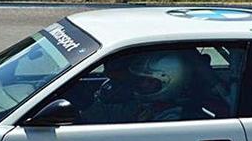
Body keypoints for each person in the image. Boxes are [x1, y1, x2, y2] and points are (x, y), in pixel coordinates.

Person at [80, 50, 229, 124]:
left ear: (171, 81)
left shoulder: (174, 118)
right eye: (141, 79)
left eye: (149, 81)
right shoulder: (144, 102)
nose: (141, 84)